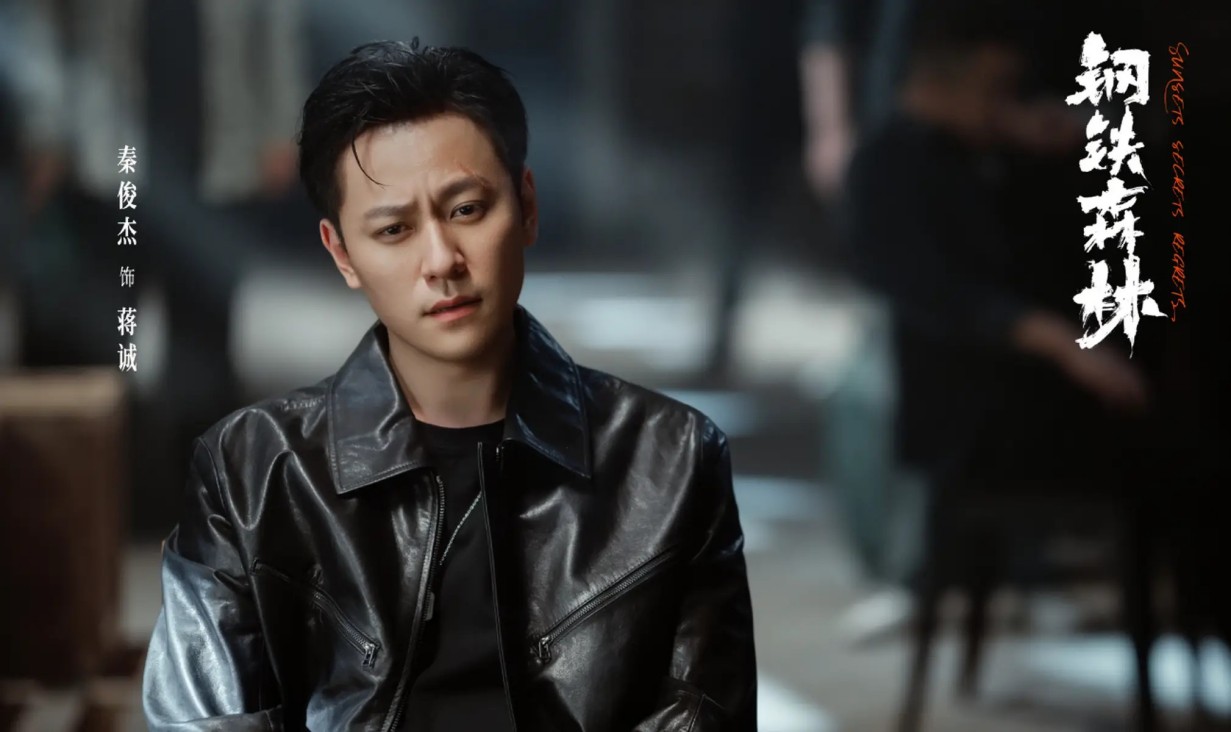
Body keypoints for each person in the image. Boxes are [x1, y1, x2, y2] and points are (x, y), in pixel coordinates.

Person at [141, 39, 757, 731]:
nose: (441, 261)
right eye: (394, 229)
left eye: (466, 210)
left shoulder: (672, 461)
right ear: (342, 253)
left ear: (526, 206)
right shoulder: (251, 472)